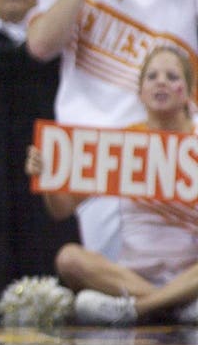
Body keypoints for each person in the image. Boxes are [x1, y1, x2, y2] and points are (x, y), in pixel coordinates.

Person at [26, 0, 198, 262]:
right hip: (96, 154)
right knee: (113, 268)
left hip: (169, 151)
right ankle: (138, 307)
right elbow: (40, 46)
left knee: (177, 262)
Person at [25, 46, 198, 325]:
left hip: (191, 273)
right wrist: (47, 177)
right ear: (140, 92)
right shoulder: (123, 143)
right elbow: (61, 209)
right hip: (132, 277)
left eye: (172, 76)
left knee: (85, 302)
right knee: (69, 258)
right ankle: (173, 305)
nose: (161, 82)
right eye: (152, 76)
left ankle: (139, 309)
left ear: (189, 91)